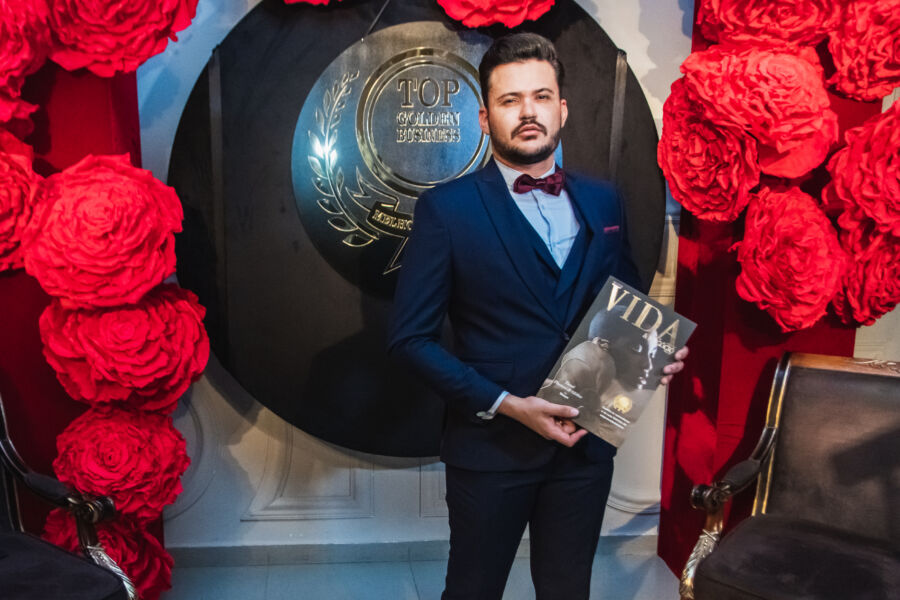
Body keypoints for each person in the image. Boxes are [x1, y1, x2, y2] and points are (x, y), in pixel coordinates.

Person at [388, 32, 687, 600]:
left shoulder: (605, 199)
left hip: (585, 444)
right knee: (473, 591)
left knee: (567, 589)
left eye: (541, 96)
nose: (528, 111)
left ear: (562, 109)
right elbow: (409, 340)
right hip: (491, 448)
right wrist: (507, 404)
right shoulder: (445, 210)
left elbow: (621, 302)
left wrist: (649, 352)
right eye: (510, 100)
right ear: (485, 118)